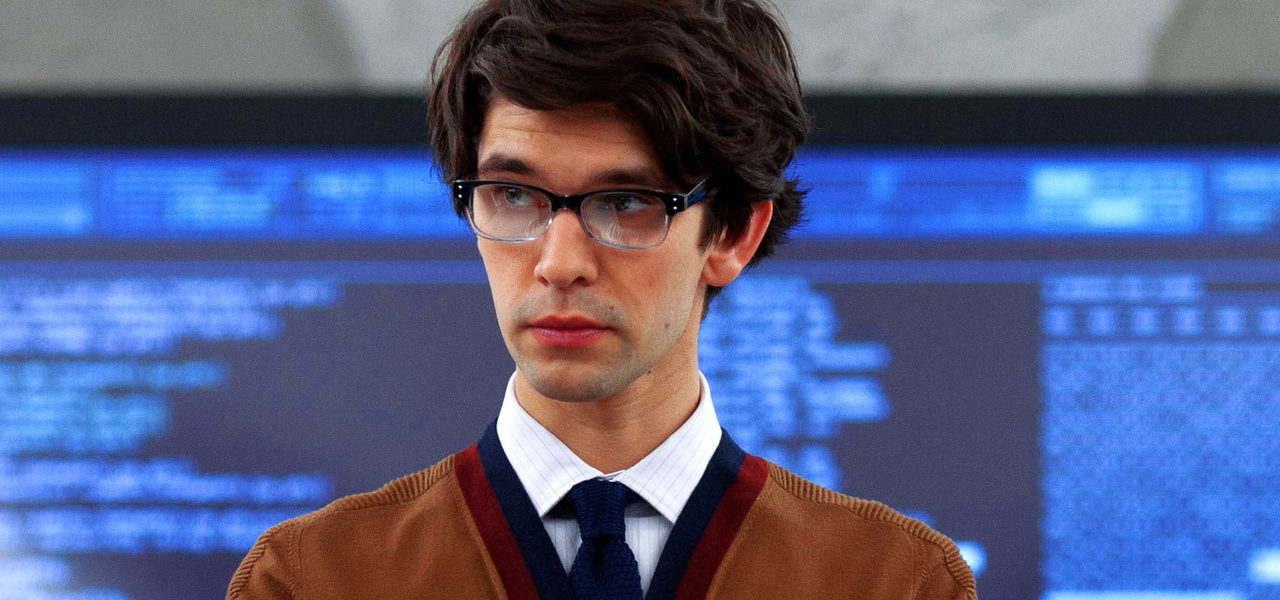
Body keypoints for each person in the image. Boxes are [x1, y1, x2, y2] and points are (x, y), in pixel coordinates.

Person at [227, 0, 977, 598]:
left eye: (625, 203)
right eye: (512, 194)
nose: (559, 264)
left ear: (733, 234)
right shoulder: (313, 580)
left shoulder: (893, 581)